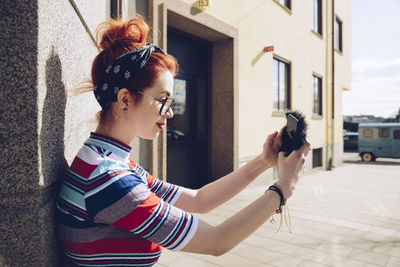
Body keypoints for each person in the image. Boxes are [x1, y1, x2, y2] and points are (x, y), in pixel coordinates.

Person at [56, 17, 310, 267]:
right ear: (124, 100)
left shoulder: (106, 161)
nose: (171, 112)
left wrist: (264, 161)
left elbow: (200, 199)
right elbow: (216, 241)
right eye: (163, 99)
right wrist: (283, 188)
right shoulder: (109, 179)